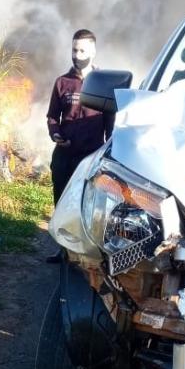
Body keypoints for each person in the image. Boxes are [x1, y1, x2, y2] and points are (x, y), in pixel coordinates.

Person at [46, 29, 110, 261]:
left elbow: (110, 124)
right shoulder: (62, 82)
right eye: (74, 50)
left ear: (93, 51)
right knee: (61, 202)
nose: (77, 55)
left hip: (91, 157)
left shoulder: (104, 83)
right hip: (64, 155)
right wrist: (55, 135)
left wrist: (107, 154)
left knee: (89, 206)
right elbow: (53, 117)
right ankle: (63, 251)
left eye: (82, 50)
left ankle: (90, 254)